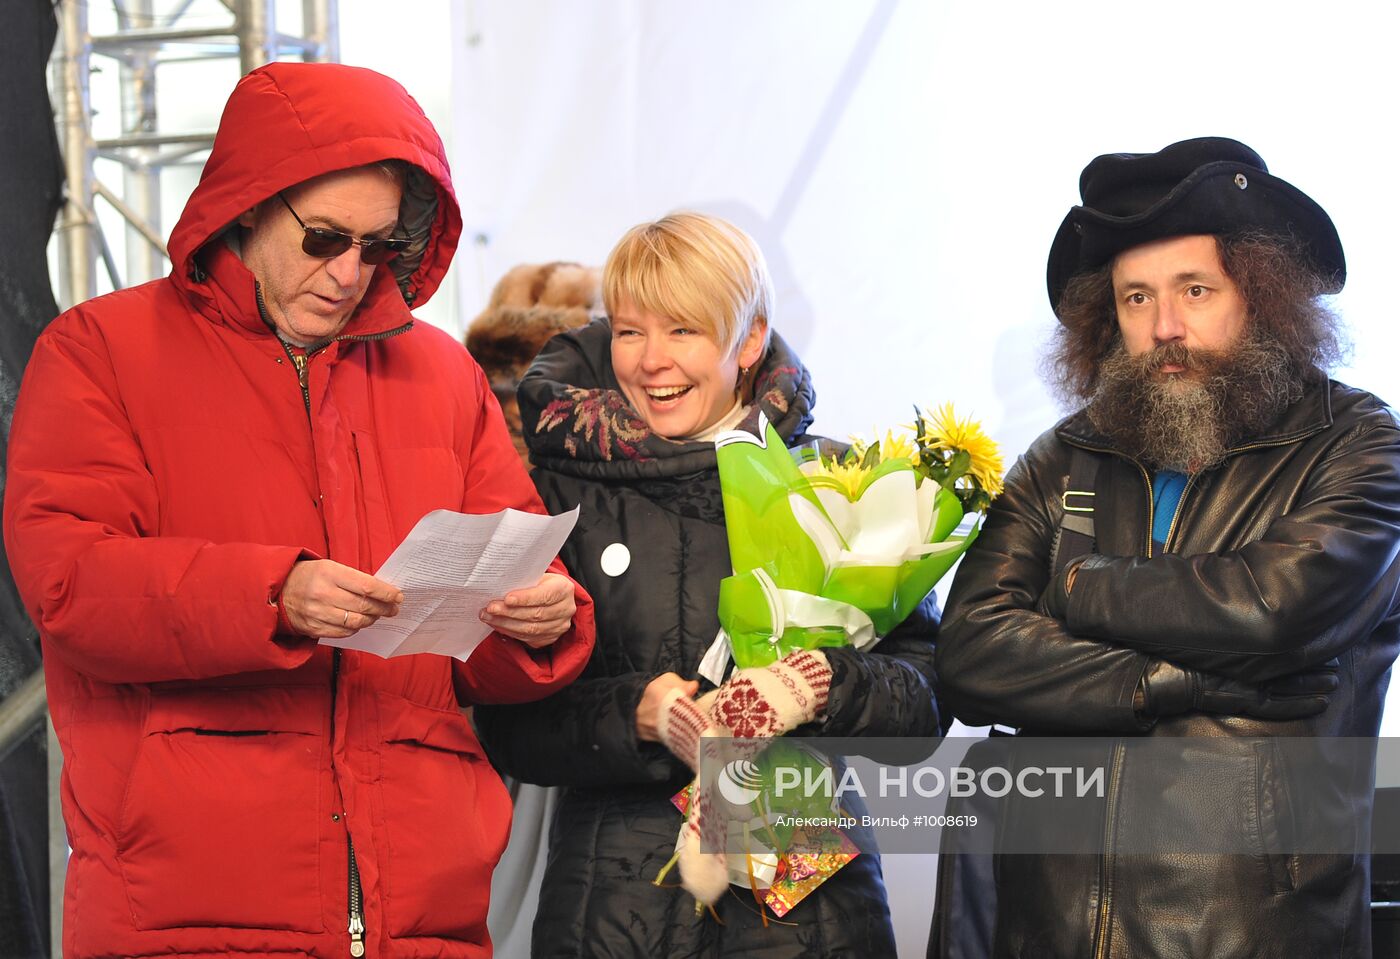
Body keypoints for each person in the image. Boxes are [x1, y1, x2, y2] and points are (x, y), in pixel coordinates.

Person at [2, 62, 595, 959]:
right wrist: (270, 595)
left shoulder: (440, 376)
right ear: (247, 204)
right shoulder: (99, 352)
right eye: (323, 238)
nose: (350, 272)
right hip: (182, 913)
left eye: (379, 247)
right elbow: (71, 585)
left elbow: (511, 582)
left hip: (422, 917)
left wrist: (544, 617)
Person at [932, 137, 1400, 958]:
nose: (1165, 327)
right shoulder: (1065, 452)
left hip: (1256, 934)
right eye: (1136, 298)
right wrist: (1168, 680)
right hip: (1048, 931)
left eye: (1195, 289)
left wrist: (1077, 589)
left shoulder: (1356, 441)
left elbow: (1273, 609)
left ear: (1263, 293)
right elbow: (971, 649)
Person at [473, 212, 945, 957]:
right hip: (610, 911)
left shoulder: (835, 481)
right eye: (629, 331)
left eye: (684, 330)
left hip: (808, 916)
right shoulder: (557, 494)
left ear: (748, 340)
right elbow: (508, 724)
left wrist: (824, 683)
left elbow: (927, 700)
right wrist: (639, 713)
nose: (650, 361)